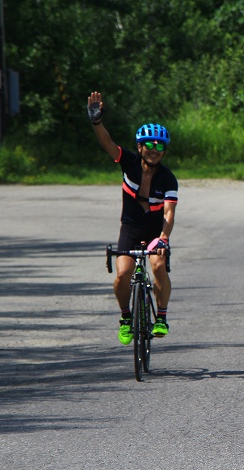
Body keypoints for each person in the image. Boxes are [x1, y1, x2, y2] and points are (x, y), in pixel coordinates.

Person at [87, 91, 178, 345]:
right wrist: (96, 122)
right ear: (140, 147)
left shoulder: (168, 178)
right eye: (149, 145)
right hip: (130, 228)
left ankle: (161, 316)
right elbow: (107, 143)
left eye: (159, 146)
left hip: (155, 232)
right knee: (122, 274)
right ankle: (126, 318)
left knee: (159, 265)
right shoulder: (128, 162)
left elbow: (169, 212)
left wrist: (163, 238)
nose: (154, 150)